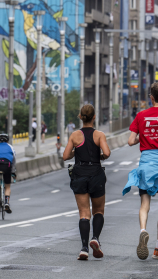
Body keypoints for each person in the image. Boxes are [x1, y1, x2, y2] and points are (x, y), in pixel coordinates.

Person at [123, 82, 158, 260]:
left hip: (147, 164)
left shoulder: (141, 115)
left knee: (144, 203)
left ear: (151, 97)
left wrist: (146, 135)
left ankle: (143, 230)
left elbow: (131, 141)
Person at [63, 104, 110, 261]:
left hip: (79, 173)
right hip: (96, 173)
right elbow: (107, 153)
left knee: (84, 213)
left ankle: (84, 248)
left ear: (80, 117)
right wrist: (100, 157)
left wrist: (77, 152)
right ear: (94, 117)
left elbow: (65, 156)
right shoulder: (99, 135)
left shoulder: (75, 136)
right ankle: (95, 238)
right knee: (98, 211)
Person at [0, 133, 16, 213]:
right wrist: (13, 172)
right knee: (7, 186)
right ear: (7, 140)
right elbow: (14, 160)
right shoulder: (11, 147)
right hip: (6, 164)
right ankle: (6, 202)